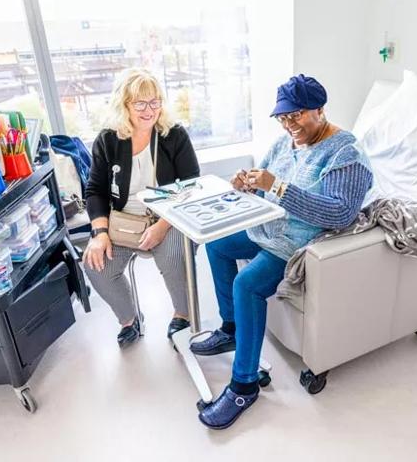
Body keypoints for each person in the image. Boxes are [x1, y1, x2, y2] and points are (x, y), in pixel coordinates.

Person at [191, 74, 374, 429]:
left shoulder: (345, 154)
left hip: (298, 242)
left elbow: (339, 212)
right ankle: (230, 328)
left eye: (298, 115)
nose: (290, 124)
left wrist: (276, 186)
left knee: (247, 284)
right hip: (268, 228)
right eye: (283, 117)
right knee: (215, 245)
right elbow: (266, 188)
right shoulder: (283, 143)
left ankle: (244, 385)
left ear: (320, 110)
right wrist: (248, 186)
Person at [83, 68, 200, 347]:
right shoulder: (108, 140)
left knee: (174, 257)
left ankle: (183, 314)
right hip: (124, 222)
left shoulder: (174, 135)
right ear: (124, 105)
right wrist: (100, 234)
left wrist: (162, 226)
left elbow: (192, 185)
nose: (149, 110)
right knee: (94, 264)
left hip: (168, 217)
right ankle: (129, 319)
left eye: (155, 101)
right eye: (140, 103)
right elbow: (95, 190)